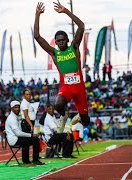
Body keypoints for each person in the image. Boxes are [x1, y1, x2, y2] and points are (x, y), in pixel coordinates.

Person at [34, 1, 90, 133]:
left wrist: (65, 11)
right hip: (66, 88)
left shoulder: (74, 47)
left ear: (67, 40)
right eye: (58, 41)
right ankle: (64, 116)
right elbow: (37, 36)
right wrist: (37, 14)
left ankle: (79, 116)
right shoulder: (54, 53)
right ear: (56, 42)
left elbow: (81, 26)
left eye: (62, 40)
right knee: (58, 104)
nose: (60, 42)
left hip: (79, 88)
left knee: (86, 121)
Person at [5, 100, 44, 165]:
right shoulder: (12, 118)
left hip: (16, 138)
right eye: (15, 107)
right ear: (11, 108)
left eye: (18, 107)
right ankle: (35, 160)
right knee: (35, 140)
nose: (17, 109)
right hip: (15, 140)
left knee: (27, 139)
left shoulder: (15, 116)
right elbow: (18, 133)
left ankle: (26, 160)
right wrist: (31, 135)